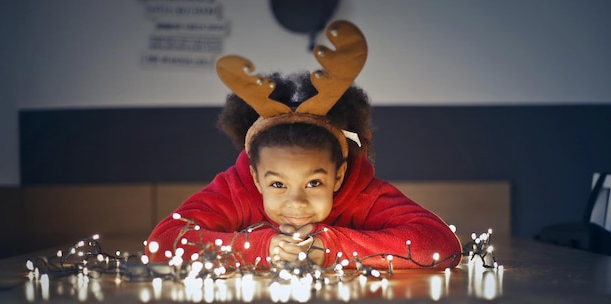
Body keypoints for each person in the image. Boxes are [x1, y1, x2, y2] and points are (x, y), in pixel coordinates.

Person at [146, 20, 461, 270]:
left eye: (314, 182)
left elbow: (441, 245)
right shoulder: (237, 187)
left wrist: (331, 247)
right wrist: (262, 248)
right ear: (256, 176)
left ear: (338, 175)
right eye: (278, 184)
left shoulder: (363, 191)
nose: (296, 204)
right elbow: (162, 243)